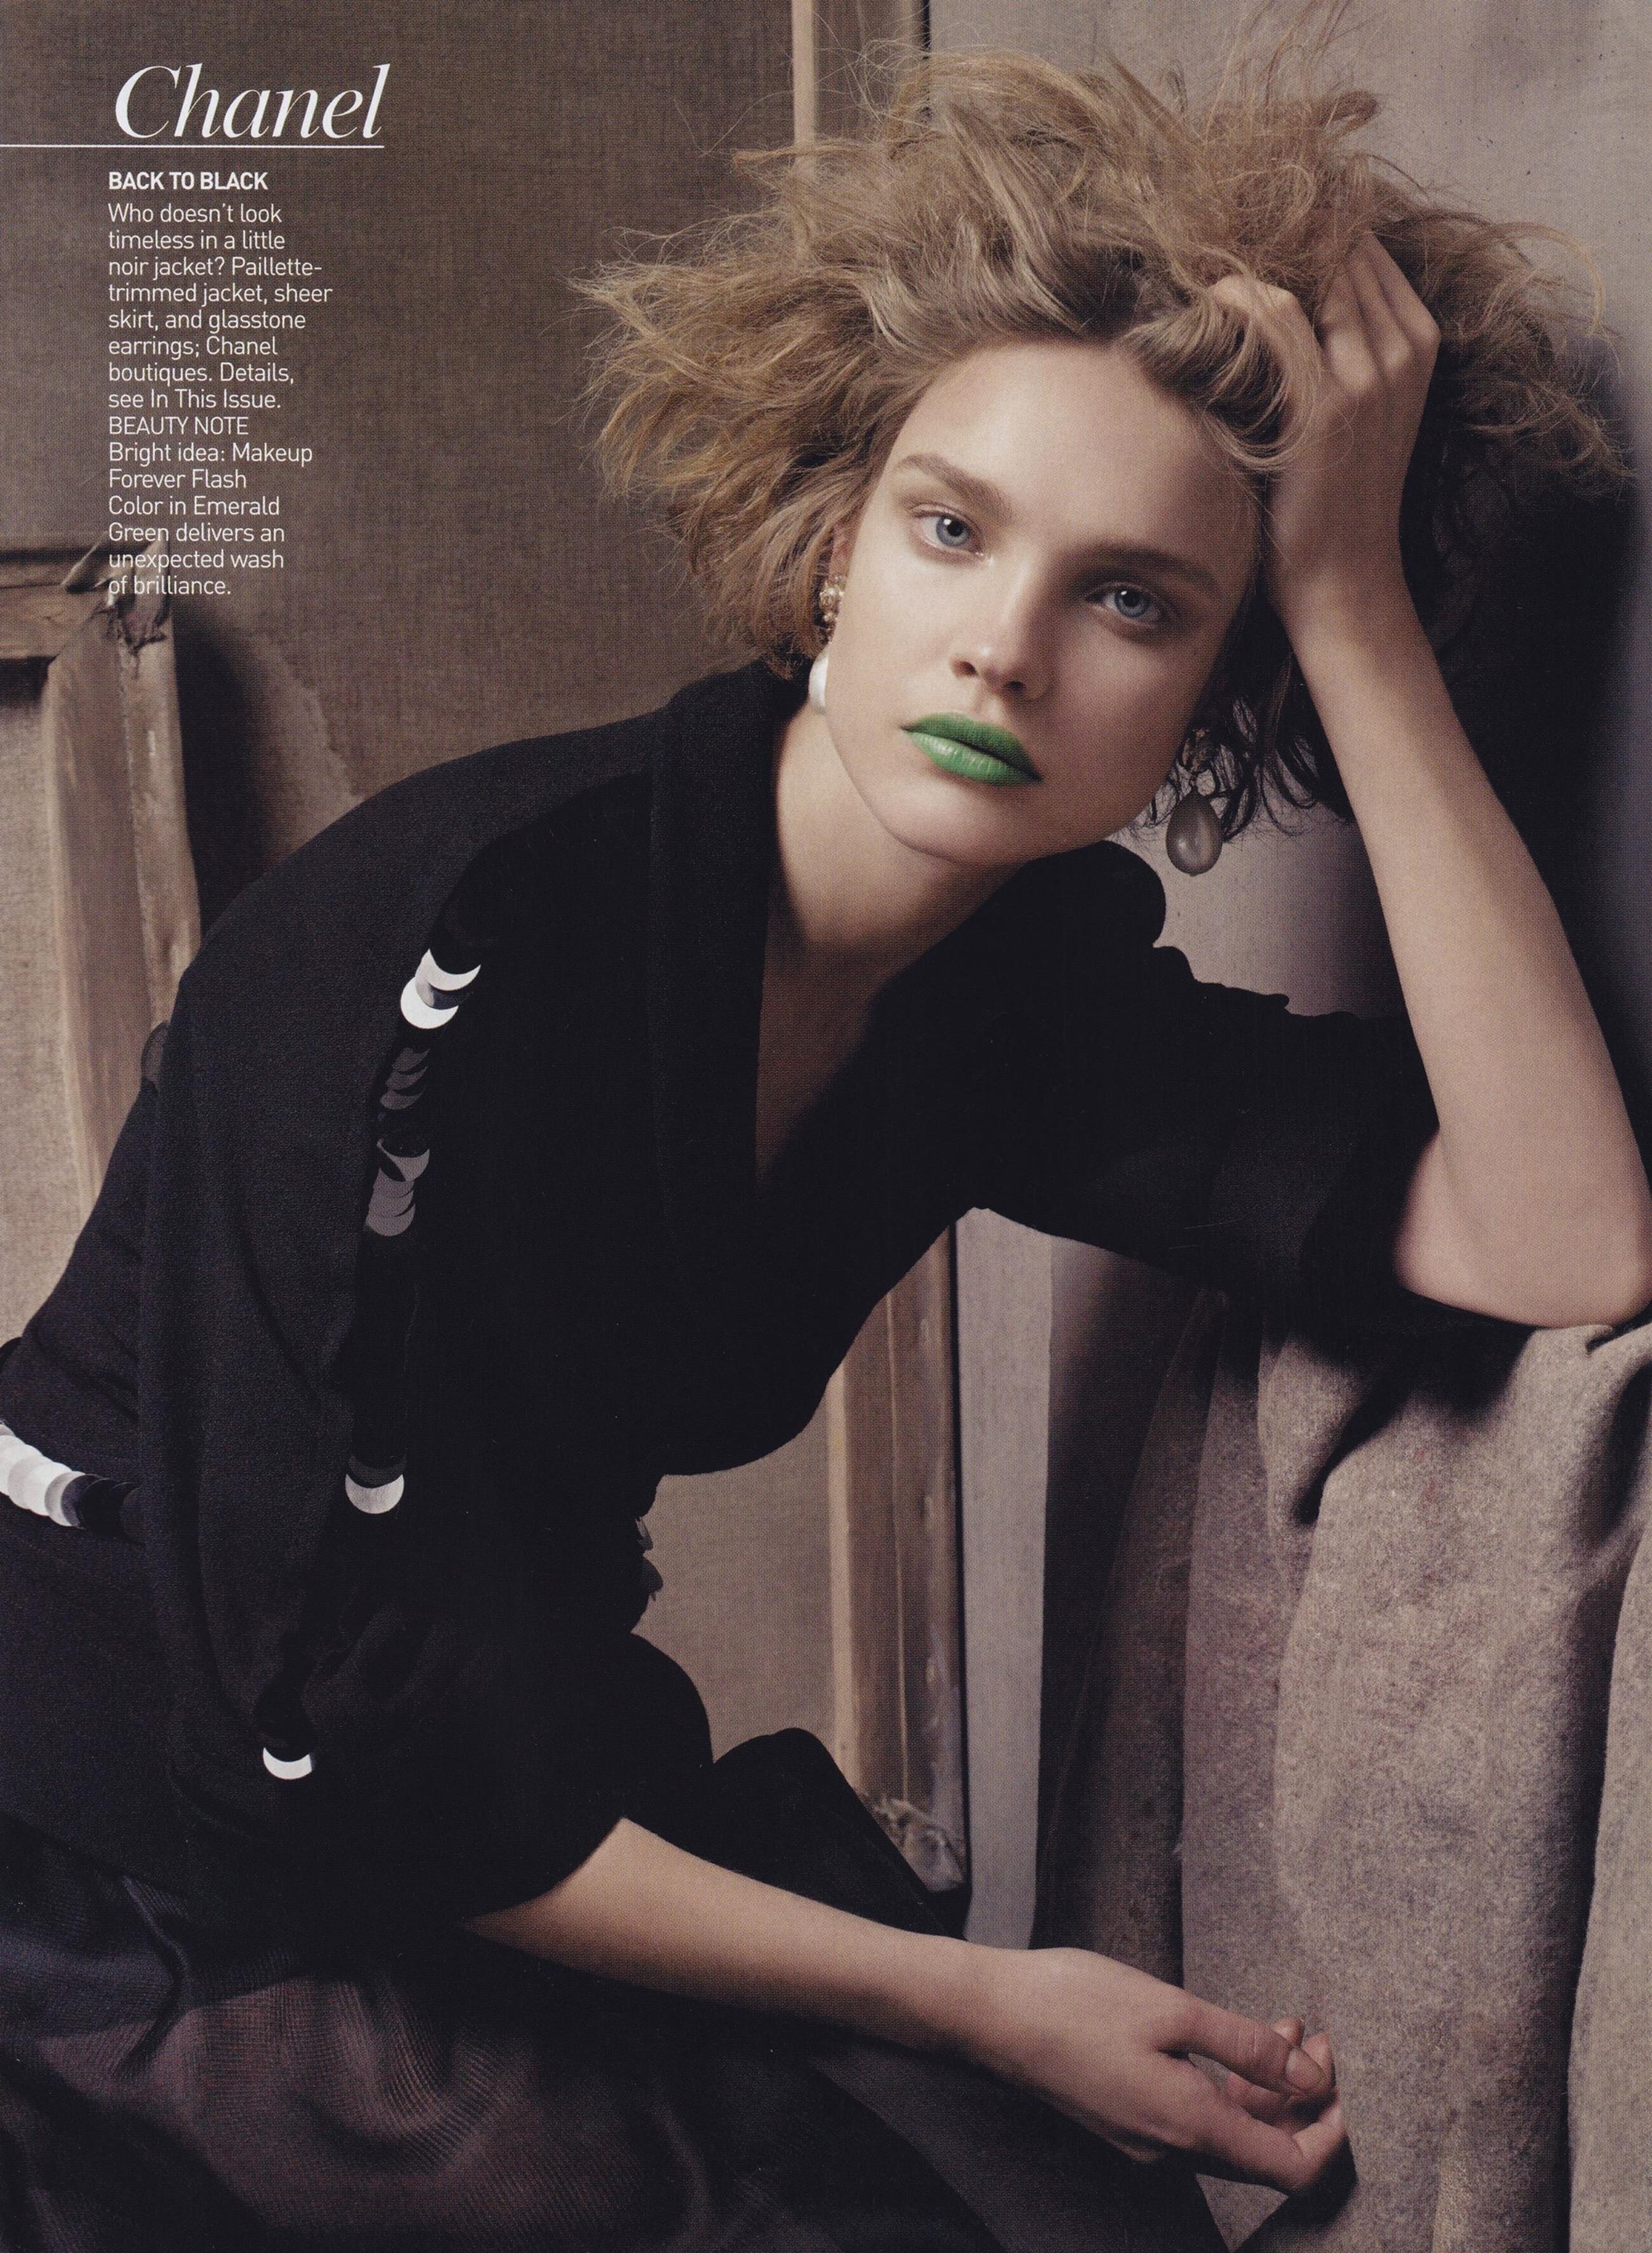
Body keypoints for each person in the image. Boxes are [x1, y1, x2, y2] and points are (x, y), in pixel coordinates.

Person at [0, 35, 1645, 2253]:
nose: (1007, 649)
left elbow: (1561, 1233)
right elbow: (321, 1747)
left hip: (510, 1790)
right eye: (953, 528)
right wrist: (980, 1998)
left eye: (1137, 599)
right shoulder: (464, 944)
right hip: (142, 1842)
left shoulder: (1009, 998)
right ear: (833, 545)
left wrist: (1349, 613)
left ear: (1210, 682)